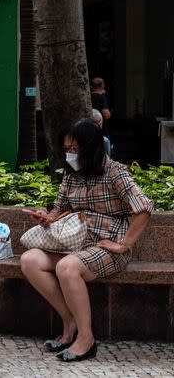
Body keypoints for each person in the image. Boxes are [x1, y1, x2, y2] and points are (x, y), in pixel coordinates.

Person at [20, 119, 153, 362]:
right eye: (67, 149)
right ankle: (69, 324)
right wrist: (47, 217)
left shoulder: (115, 173)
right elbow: (59, 208)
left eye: (74, 149)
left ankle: (86, 339)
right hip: (74, 243)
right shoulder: (71, 176)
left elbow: (143, 209)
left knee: (67, 267)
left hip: (106, 246)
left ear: (90, 147)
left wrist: (124, 244)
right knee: (29, 260)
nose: (69, 155)